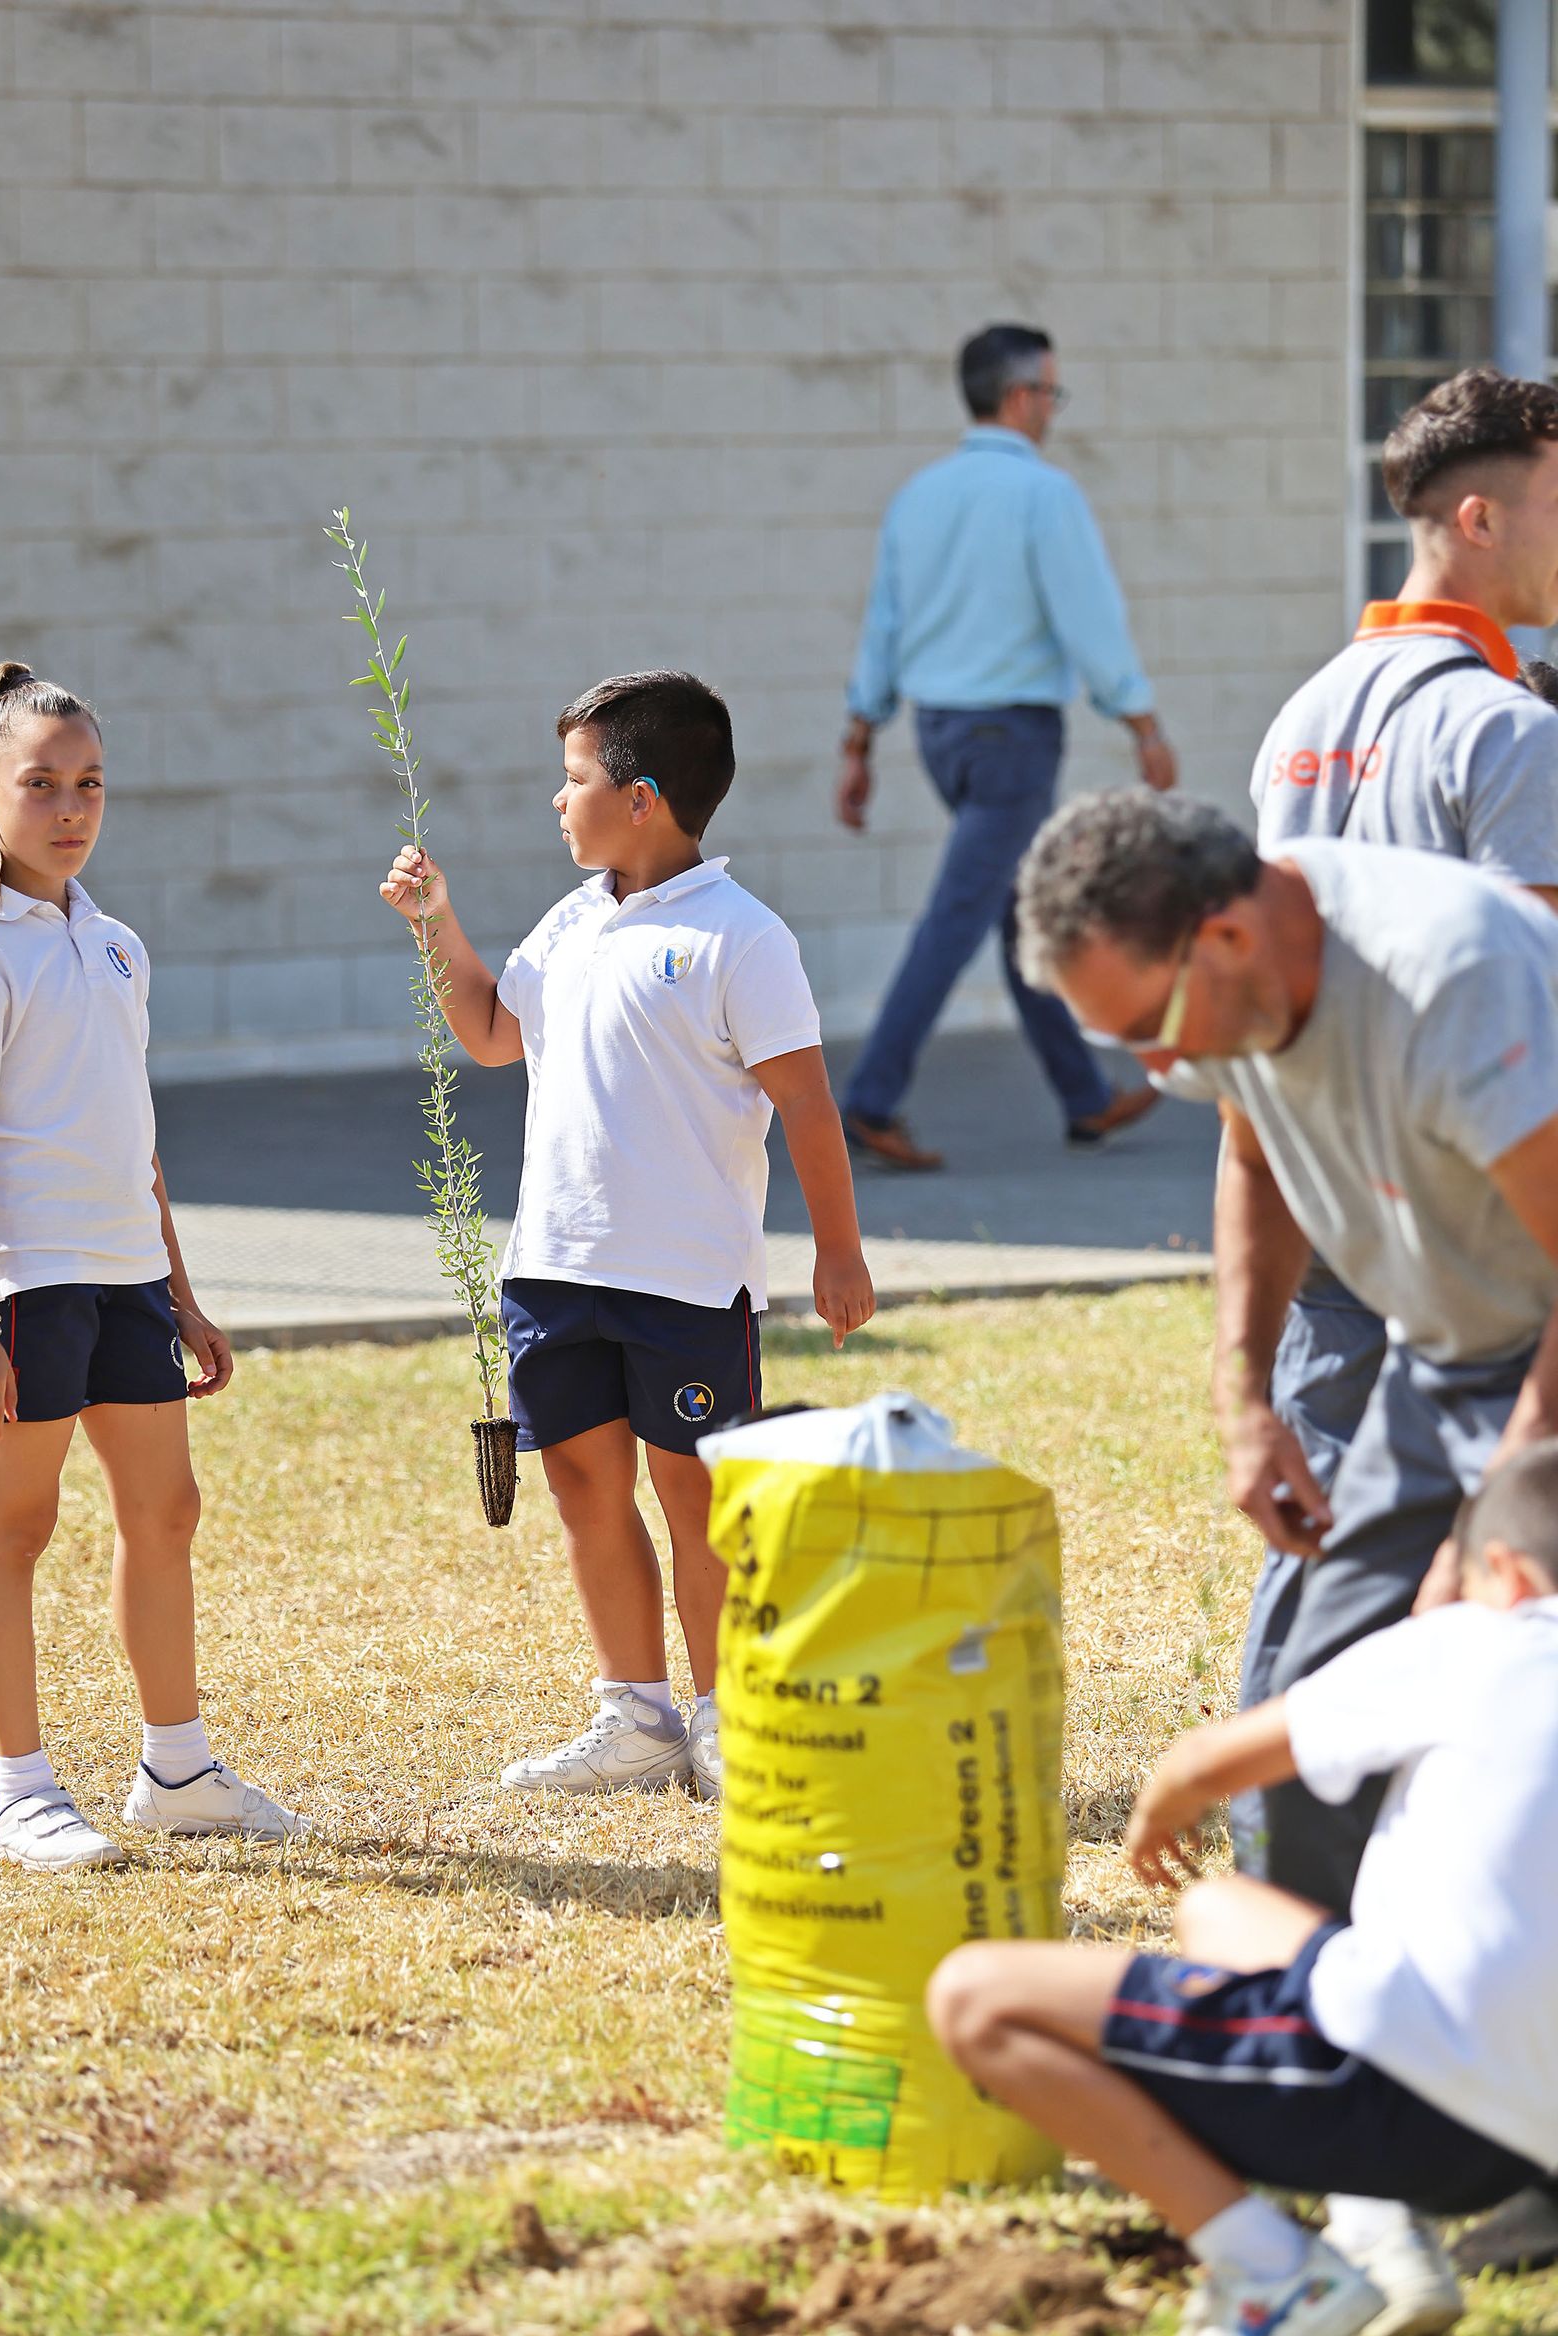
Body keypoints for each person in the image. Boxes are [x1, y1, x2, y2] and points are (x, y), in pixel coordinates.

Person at [1018, 788, 1558, 2328]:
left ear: (1235, 933)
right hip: (1451, 1353)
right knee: (1318, 1712)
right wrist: (1248, 1395)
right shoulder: (1231, 1004)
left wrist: (1494, 1523)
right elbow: (1254, 1160)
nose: (1156, 1071)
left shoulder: (1451, 979)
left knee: (1518, 1712)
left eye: (1155, 1032)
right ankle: (1375, 2175)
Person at [926, 1437, 1558, 2336]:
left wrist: (1157, 1815)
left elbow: (1203, 1766)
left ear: (1504, 1573)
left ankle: (1270, 2271)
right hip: (1530, 2142)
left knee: (976, 1999)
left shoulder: (1483, 1640)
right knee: (1219, 1906)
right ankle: (1376, 2221)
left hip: (1403, 2094)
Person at [380, 671, 874, 1799]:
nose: (558, 803)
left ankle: (721, 1719)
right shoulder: (566, 923)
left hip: (689, 1285)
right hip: (552, 1274)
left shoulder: (740, 938)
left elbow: (805, 1102)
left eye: (574, 780)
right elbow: (494, 1034)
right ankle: (634, 1720)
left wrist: (836, 1252)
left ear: (642, 797)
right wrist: (436, 926)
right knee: (585, 1492)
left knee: (694, 1499)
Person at [1235, 367, 1558, 1876]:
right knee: (1475, 1553)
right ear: (1480, 517)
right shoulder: (1505, 732)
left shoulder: (1299, 717)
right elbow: (1535, 1009)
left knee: (1327, 1557)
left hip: (1330, 1211)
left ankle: (1277, 1849)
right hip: (1484, 1235)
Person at [0, 662, 307, 1868]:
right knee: (19, 1524)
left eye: (91, 784)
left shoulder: (117, 947)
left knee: (167, 1510)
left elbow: (134, 1136)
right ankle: (22, 1793)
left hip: (127, 1280)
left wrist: (183, 1292)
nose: (70, 808)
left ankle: (177, 1768)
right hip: (29, 1280)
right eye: (41, 784)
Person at [834, 322, 1177, 1172]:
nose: (1053, 411)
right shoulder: (1044, 497)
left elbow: (884, 621)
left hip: (940, 736)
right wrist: (1140, 721)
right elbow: (1089, 619)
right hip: (1011, 739)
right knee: (961, 916)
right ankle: (871, 1100)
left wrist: (860, 737)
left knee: (1016, 909)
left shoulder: (919, 495)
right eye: (1052, 394)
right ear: (1022, 397)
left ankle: (1085, 1098)